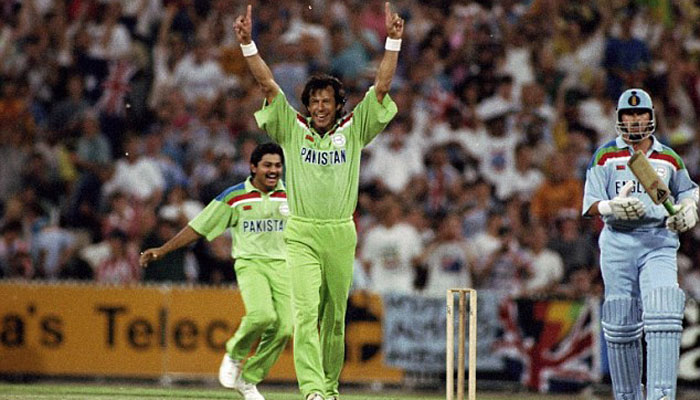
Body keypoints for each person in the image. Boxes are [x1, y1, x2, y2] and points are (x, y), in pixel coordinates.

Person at [234, 3, 403, 399]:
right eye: (314, 101)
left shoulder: (355, 127)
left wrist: (393, 40)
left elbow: (381, 88)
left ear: (337, 103)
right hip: (302, 233)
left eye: (327, 101)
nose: (320, 107)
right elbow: (268, 86)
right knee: (305, 315)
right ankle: (311, 390)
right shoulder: (292, 129)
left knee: (334, 320)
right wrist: (247, 45)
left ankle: (328, 390)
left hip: (341, 233)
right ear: (307, 104)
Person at [139, 143, 291, 400]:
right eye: (267, 165)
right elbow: (199, 226)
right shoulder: (235, 196)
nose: (273, 170)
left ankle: (248, 379)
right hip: (251, 263)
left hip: (284, 266)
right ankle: (234, 353)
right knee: (262, 316)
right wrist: (164, 249)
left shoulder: (292, 195)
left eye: (277, 165)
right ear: (253, 167)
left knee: (285, 328)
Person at [582, 88, 698, 400]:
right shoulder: (605, 155)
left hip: (658, 240)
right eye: (628, 115)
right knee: (620, 323)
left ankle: (661, 396)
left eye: (640, 114)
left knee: (663, 313)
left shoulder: (667, 157)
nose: (635, 120)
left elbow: (688, 191)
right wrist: (610, 207)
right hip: (618, 242)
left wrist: (689, 210)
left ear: (651, 117)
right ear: (619, 119)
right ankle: (627, 396)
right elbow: (591, 203)